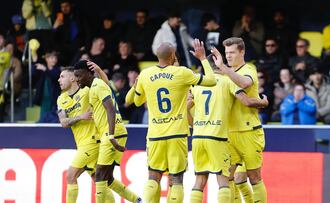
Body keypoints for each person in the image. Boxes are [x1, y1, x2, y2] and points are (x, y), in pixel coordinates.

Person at [127, 39, 216, 202]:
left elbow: (137, 102)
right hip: (177, 134)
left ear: (157, 56)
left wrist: (139, 87)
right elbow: (211, 80)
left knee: (153, 176)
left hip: (155, 135)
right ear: (173, 56)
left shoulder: (146, 74)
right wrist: (203, 58)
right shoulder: (182, 73)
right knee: (176, 179)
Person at [187, 54, 268, 203]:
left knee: (200, 180)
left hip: (198, 137)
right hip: (218, 137)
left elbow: (185, 109)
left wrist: (193, 122)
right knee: (224, 180)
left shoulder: (196, 85)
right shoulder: (227, 82)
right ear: (220, 64)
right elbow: (247, 102)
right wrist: (263, 102)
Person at [73, 60, 142, 203]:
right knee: (107, 178)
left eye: (79, 76)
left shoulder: (97, 86)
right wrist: (98, 69)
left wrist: (111, 135)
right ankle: (137, 200)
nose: (77, 80)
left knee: (99, 175)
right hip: (113, 133)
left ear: (88, 73)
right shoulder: (97, 86)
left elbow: (110, 108)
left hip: (111, 133)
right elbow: (106, 84)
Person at [211, 37, 267, 203]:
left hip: (249, 132)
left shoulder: (248, 69)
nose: (228, 56)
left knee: (254, 176)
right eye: (226, 53)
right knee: (227, 177)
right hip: (229, 133)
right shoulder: (225, 73)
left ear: (242, 52)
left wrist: (222, 68)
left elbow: (244, 83)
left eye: (232, 52)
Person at [57, 67, 115, 203]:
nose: (59, 80)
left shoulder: (87, 90)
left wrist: (99, 71)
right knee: (99, 180)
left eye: (62, 76)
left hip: (93, 141)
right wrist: (80, 117)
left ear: (72, 78)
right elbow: (64, 123)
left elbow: (105, 86)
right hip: (82, 144)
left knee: (71, 175)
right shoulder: (61, 99)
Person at [32, 51, 61, 119]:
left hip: (54, 98)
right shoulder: (42, 69)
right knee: (43, 117)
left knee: (53, 117)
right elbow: (33, 73)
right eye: (52, 58)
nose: (54, 60)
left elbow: (54, 76)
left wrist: (45, 69)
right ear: (46, 59)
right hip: (43, 98)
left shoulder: (57, 70)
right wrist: (34, 62)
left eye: (55, 58)